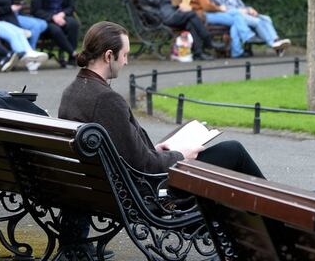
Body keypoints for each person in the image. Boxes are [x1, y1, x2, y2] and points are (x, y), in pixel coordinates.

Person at [59, 21, 264, 176]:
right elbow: (143, 165)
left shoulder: (71, 91)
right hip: (146, 190)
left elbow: (127, 150)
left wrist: (154, 149)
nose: (126, 62)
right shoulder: (106, 100)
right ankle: (278, 222)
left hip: (99, 186)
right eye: (125, 55)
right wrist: (181, 155)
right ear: (109, 56)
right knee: (233, 151)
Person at [137, 0, 217, 61]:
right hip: (162, 18)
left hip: (169, 14)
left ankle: (198, 53)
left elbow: (165, 3)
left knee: (190, 23)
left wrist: (178, 7)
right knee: (191, 14)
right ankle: (207, 40)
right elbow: (156, 1)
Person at [181, 0, 257, 58]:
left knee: (236, 19)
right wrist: (219, 8)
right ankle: (246, 37)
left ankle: (237, 51)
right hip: (203, 15)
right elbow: (206, 6)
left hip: (199, 14)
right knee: (237, 17)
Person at [30, 0, 80, 67]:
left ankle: (71, 60)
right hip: (45, 20)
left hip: (60, 16)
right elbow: (35, 11)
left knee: (73, 23)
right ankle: (73, 53)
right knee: (56, 30)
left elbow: (71, 7)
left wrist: (62, 14)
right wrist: (53, 17)